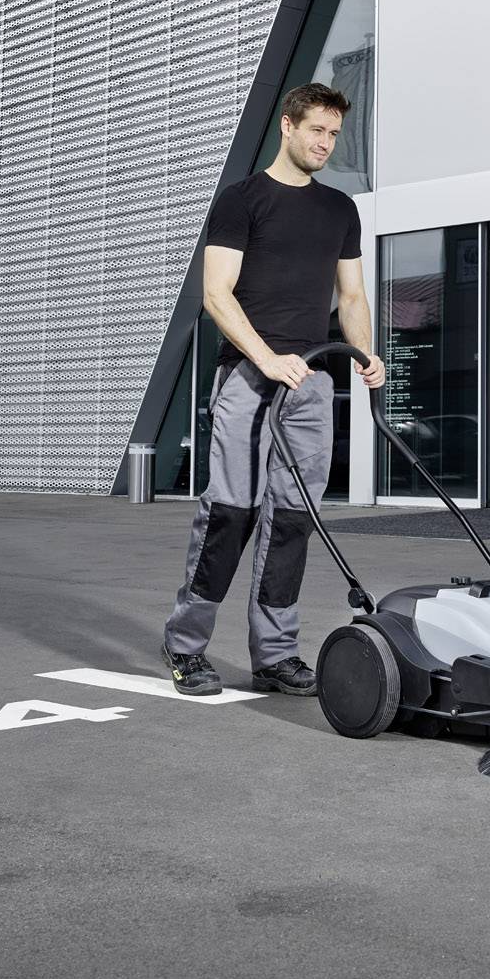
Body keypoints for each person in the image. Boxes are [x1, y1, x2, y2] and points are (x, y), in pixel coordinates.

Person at [161, 82, 385, 697]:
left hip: (310, 382)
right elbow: (216, 295)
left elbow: (352, 295)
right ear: (288, 126)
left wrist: (366, 354)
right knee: (231, 512)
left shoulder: (339, 210)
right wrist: (267, 358)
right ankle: (186, 646)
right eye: (316, 130)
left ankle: (276, 654)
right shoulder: (242, 200)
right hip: (249, 376)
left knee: (292, 519)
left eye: (334, 134)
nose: (326, 143)